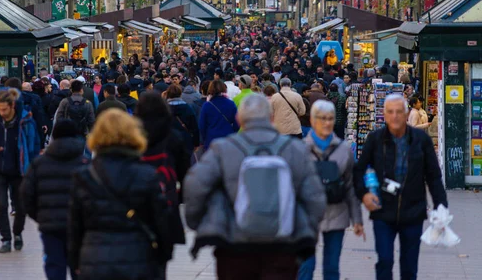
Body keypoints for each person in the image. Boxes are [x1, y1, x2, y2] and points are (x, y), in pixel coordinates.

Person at [184, 94, 326, 280]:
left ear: (239, 118)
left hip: (235, 245)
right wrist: (305, 230)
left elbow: (195, 185)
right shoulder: (295, 150)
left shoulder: (223, 149)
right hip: (282, 245)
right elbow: (315, 198)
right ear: (271, 118)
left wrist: (196, 222)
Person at [67, 109, 172, 279]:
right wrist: (161, 257)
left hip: (95, 258)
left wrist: (75, 262)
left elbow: (74, 226)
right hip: (138, 257)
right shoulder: (146, 174)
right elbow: (161, 221)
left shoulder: (83, 176)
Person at [353, 94, 448, 280]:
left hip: (413, 211)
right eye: (390, 112)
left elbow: (434, 177)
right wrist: (363, 195)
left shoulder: (421, 140)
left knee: (409, 267)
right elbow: (358, 171)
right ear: (384, 115)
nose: (395, 116)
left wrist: (441, 207)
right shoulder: (375, 139)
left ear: (406, 114)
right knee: (385, 261)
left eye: (399, 112)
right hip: (382, 211)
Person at [298, 100, 363, 280]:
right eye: (322, 118)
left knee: (332, 267)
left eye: (330, 119)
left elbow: (350, 185)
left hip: (337, 213)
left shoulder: (344, 149)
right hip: (307, 216)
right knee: (305, 267)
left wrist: (357, 219)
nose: (327, 123)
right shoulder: (300, 149)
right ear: (312, 120)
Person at [21, 119, 86, 280]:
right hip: (80, 226)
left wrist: (40, 216)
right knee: (79, 266)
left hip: (50, 225)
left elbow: (26, 194)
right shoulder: (86, 164)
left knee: (54, 265)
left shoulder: (39, 163)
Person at [0, 88, 41, 253]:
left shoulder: (26, 120)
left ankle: (18, 233)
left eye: (4, 109)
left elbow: (34, 145)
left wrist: (34, 168)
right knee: (1, 205)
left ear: (12, 105)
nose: (2, 112)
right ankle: (6, 239)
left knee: (20, 205)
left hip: (20, 169)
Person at [136, 92, 189, 250]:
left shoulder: (133, 135)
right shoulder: (173, 136)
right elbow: (184, 173)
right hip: (166, 198)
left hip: (137, 201)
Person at [198, 80, 240, 150]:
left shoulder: (207, 105)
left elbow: (202, 125)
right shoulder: (231, 104)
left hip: (211, 139)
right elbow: (237, 123)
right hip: (228, 138)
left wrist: (205, 137)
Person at [165, 84, 200, 156]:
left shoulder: (163, 108)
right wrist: (196, 143)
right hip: (185, 140)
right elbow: (194, 127)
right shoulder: (187, 108)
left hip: (168, 141)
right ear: (180, 94)